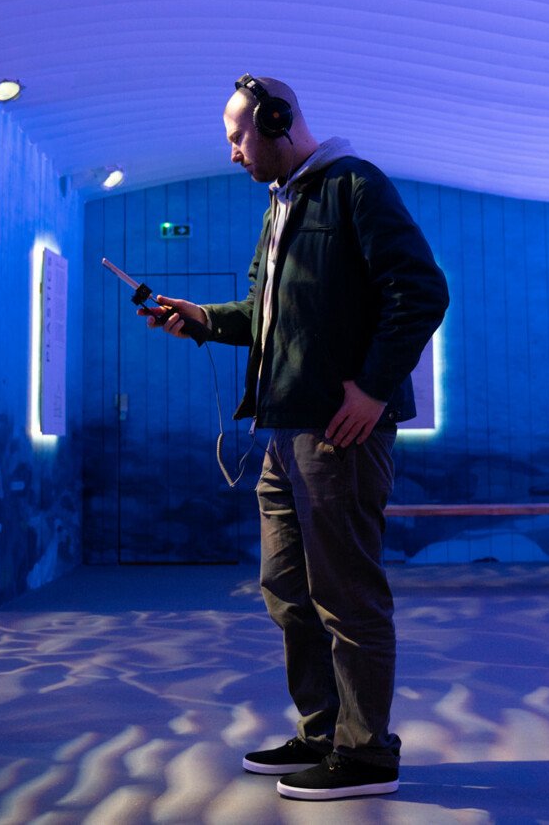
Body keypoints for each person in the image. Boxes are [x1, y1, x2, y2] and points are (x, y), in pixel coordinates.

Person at [144, 74, 448, 801]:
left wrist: (373, 388)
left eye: (238, 137)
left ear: (277, 122)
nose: (232, 154)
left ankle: (366, 752)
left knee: (346, 592)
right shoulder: (281, 208)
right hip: (284, 431)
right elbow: (266, 315)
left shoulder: (354, 187)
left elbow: (421, 289)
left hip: (336, 433)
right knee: (288, 588)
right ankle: (324, 733)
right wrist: (207, 320)